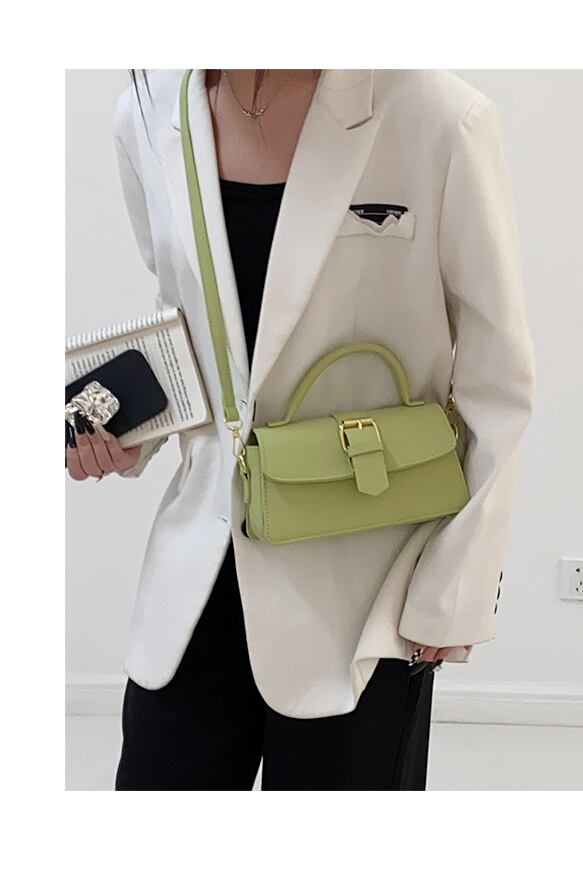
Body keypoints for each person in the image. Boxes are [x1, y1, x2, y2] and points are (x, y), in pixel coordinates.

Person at [66, 69, 535, 790]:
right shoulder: (150, 111)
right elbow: (191, 320)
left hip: (365, 586)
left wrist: (456, 587)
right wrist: (134, 431)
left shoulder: (439, 117)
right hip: (198, 571)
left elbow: (497, 380)